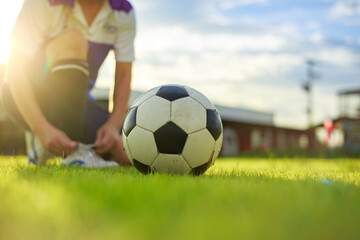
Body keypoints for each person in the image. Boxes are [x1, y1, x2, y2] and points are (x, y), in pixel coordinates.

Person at [2, 0, 135, 167]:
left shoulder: (124, 12)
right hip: (23, 96)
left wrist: (113, 125)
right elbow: (15, 70)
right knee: (73, 39)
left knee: (127, 149)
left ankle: (60, 144)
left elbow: (123, 75)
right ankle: (74, 156)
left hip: (76, 104)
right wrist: (40, 127)